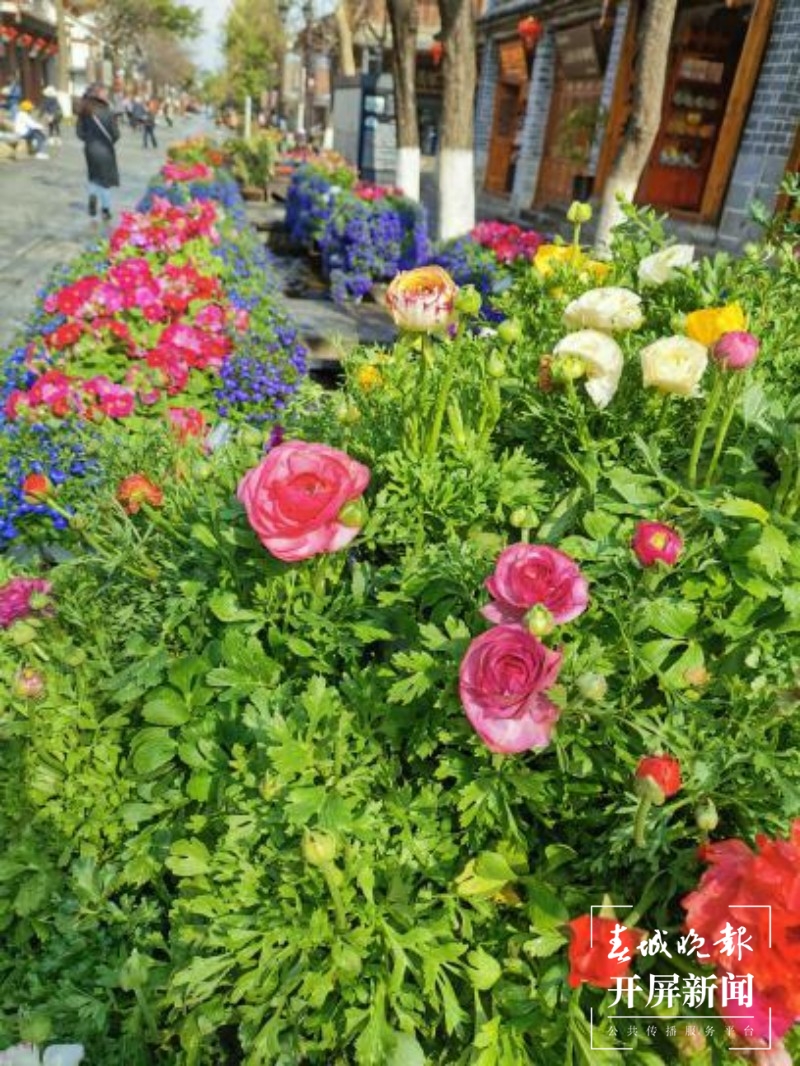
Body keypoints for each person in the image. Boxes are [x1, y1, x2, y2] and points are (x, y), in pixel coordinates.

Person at [76, 83, 120, 221]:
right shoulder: (108, 111)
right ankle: (105, 210)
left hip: (90, 148)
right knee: (105, 180)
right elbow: (116, 134)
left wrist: (89, 140)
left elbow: (79, 133)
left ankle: (92, 196)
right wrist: (110, 141)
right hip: (105, 149)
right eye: (105, 92)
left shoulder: (84, 111)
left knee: (93, 176)